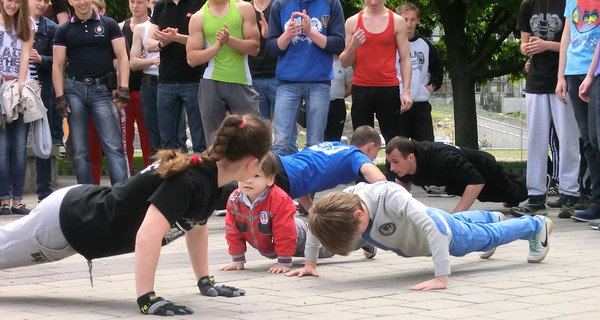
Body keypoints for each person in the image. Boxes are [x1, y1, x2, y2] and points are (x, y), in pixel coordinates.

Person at [0, 114, 271, 315]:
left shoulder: (211, 178)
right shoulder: (191, 181)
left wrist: (204, 280)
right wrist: (147, 298)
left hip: (79, 213)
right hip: (66, 222)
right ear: (251, 163)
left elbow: (196, 223)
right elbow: (147, 236)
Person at [307, 181, 553, 290]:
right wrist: (310, 262)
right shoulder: (344, 201)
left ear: (360, 216)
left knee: (488, 237)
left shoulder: (390, 198)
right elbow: (316, 220)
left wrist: (441, 277)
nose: (355, 239)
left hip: (445, 235)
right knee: (462, 223)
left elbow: (436, 228)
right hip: (436, 219)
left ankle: (535, 225)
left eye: (353, 235)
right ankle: (491, 217)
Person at [219, 152, 375, 273]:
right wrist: (237, 260)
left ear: (270, 179)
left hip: (300, 237)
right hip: (274, 246)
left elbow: (284, 231)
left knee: (329, 248)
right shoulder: (234, 200)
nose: (248, 181)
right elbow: (233, 230)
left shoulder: (278, 198)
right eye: (243, 176)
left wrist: (284, 261)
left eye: (256, 176)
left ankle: (365, 239)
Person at [511, 0, 580, 218]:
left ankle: (570, 193)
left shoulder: (568, 4)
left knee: (567, 139)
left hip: (562, 79)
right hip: (536, 80)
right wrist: (527, 49)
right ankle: (536, 196)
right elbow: (524, 45)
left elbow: (574, 43)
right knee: (535, 140)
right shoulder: (528, 4)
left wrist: (546, 45)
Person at [52, 0, 130, 185]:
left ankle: (122, 194)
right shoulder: (64, 30)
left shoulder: (108, 24)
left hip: (102, 90)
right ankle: (86, 195)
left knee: (113, 146)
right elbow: (57, 65)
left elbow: (122, 56)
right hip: (75, 90)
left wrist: (124, 87)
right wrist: (60, 96)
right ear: (70, 1)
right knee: (80, 150)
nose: (82, 2)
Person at [266, 0, 345, 155]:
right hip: (287, 81)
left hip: (319, 81)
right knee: (282, 142)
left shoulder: (331, 3)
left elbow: (339, 44)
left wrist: (310, 32)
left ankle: (312, 179)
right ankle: (281, 179)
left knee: (315, 144)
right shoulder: (280, 4)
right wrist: (287, 35)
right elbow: (271, 48)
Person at [386, 136, 528, 213]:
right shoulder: (401, 166)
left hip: (485, 169)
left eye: (395, 162)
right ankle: (523, 180)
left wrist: (456, 216)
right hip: (461, 180)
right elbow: (402, 192)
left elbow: (476, 181)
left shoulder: (442, 159)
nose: (392, 168)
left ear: (411, 157)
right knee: (493, 194)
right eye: (390, 162)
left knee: (514, 194)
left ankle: (536, 182)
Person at [186, 0, 260, 145]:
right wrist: (216, 47)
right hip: (211, 82)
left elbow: (255, 48)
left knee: (252, 140)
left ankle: (252, 168)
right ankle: (217, 168)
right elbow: (191, 59)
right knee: (214, 143)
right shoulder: (198, 17)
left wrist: (229, 40)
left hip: (241, 81)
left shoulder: (243, 8)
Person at [339, 0, 412, 144]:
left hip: (388, 87)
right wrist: (353, 46)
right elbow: (344, 62)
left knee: (393, 138)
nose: (373, 2)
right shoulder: (352, 22)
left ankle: (393, 166)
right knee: (362, 139)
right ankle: (363, 167)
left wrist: (406, 92)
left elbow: (405, 58)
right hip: (362, 87)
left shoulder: (397, 21)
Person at [556, 0, 600, 222]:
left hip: (595, 71)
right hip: (574, 72)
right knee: (587, 140)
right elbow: (566, 34)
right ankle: (596, 203)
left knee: (596, 137)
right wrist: (561, 75)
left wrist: (591, 73)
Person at [147, 0, 206, 153]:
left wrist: (176, 37)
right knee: (167, 142)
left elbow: (205, 42)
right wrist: (163, 43)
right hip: (166, 81)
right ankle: (171, 174)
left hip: (195, 80)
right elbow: (149, 44)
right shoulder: (161, 6)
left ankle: (200, 175)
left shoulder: (199, 3)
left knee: (200, 139)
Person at [0, 0, 35, 215]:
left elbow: (25, 54)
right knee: (2, 149)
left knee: (19, 148)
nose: (11, 5)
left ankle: (17, 200)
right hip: (0, 86)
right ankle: (4, 200)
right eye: (8, 0)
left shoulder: (28, 23)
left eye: (16, 1)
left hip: (19, 88)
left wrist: (21, 85)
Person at [396, 2, 443, 142]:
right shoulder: (390, 44)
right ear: (398, 20)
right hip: (397, 104)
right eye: (405, 19)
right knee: (397, 147)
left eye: (413, 19)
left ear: (418, 20)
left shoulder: (426, 45)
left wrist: (430, 87)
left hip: (420, 104)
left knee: (426, 147)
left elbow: (438, 71)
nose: (409, 24)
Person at [29, 0, 59, 202]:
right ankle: (9, 197)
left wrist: (42, 59)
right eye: (36, 0)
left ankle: (44, 193)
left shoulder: (52, 28)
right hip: (14, 92)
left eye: (44, 0)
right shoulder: (13, 26)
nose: (41, 4)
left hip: (42, 92)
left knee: (42, 142)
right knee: (11, 145)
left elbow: (60, 61)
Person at [119, 0, 154, 172]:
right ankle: (126, 178)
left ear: (148, 4)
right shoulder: (120, 27)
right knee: (125, 140)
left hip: (147, 88)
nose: (135, 6)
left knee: (148, 138)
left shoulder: (154, 27)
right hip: (127, 90)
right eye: (132, 2)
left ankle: (149, 178)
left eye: (139, 2)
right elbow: (115, 59)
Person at [249, 0, 277, 120]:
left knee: (284, 129)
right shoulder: (246, 8)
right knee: (259, 130)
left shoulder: (279, 5)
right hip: (253, 77)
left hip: (277, 76)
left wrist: (269, 34)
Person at [325, 55, 352, 142]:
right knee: (319, 137)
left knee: (334, 139)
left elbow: (350, 88)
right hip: (321, 103)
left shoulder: (346, 65)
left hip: (337, 104)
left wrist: (338, 95)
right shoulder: (319, 61)